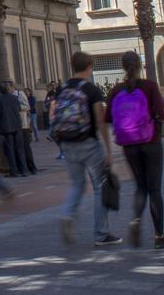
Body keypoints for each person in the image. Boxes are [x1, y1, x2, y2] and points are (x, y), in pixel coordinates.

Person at [105, 51, 164, 249]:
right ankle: (159, 236)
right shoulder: (149, 86)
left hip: (128, 145)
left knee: (140, 186)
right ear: (139, 66)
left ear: (123, 67)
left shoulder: (116, 90)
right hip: (151, 141)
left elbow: (109, 117)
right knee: (154, 189)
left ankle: (135, 219)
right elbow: (161, 113)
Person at [53, 51, 121, 247]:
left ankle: (67, 214)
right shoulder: (91, 90)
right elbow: (100, 121)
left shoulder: (62, 88)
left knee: (77, 184)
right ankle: (101, 234)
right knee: (100, 186)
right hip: (88, 143)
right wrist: (108, 149)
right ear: (89, 66)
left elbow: (56, 116)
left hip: (67, 142)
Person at [0, 81, 26, 177]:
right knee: (20, 149)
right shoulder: (15, 99)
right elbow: (19, 109)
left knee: (10, 150)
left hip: (5, 128)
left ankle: (14, 171)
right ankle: (23, 170)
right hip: (17, 126)